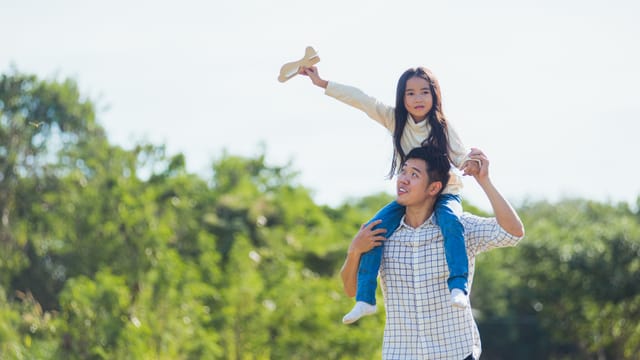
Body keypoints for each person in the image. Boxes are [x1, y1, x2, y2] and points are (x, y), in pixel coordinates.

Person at [299, 65, 478, 323]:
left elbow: (461, 157)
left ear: (434, 95)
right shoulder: (397, 121)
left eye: (424, 92)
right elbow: (362, 100)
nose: (417, 99)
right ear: (402, 98)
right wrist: (322, 82)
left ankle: (458, 287)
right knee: (375, 229)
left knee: (452, 223)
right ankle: (365, 300)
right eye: (411, 93)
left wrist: (471, 163)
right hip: (412, 197)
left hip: (445, 192)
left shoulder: (443, 126)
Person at [340, 146, 525, 359]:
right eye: (403, 171)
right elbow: (349, 289)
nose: (404, 179)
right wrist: (354, 251)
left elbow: (513, 233)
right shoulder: (380, 233)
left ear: (434, 187)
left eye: (414, 174)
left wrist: (484, 181)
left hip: (456, 354)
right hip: (400, 354)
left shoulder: (459, 227)